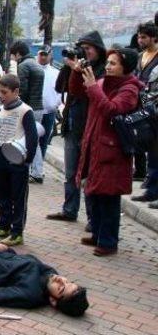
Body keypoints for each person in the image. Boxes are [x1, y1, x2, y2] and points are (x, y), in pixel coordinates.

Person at [74, 48, 142, 256]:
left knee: (109, 197)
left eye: (113, 63)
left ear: (125, 67)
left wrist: (94, 86)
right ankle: (97, 233)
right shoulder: (103, 82)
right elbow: (79, 93)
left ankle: (108, 241)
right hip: (94, 145)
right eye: (108, 62)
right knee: (93, 193)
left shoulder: (130, 89)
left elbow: (112, 109)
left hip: (112, 151)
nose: (108, 66)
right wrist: (77, 74)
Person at [46, 31, 107, 230]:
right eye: (83, 49)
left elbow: (93, 96)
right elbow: (67, 90)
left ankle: (93, 219)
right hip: (72, 125)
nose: (85, 53)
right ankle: (70, 209)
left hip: (90, 128)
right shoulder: (79, 66)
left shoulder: (103, 71)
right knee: (71, 172)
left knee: (89, 175)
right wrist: (72, 69)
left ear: (98, 49)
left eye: (88, 49)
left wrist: (83, 72)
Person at [0, 74, 38, 246]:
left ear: (16, 92)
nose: (0, 95)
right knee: (1, 194)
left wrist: (27, 160)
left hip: (17, 160)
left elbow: (32, 137)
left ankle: (17, 231)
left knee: (18, 197)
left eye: (4, 92)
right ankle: (3, 224)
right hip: (0, 157)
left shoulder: (25, 111)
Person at [9, 41, 45, 184]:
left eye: (13, 54)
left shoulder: (23, 66)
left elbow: (21, 90)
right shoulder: (36, 64)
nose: (13, 58)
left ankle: (35, 172)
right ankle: (37, 170)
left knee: (30, 141)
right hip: (38, 107)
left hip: (29, 108)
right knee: (34, 140)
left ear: (18, 53)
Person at [130, 22, 158, 204]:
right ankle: (151, 189)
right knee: (151, 151)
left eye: (144, 37)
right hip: (142, 109)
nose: (140, 40)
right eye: (139, 37)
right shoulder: (140, 57)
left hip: (155, 108)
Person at [38, 45, 61, 158]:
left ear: (50, 56)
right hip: (34, 111)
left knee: (44, 141)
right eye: (41, 54)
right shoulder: (33, 69)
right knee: (31, 141)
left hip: (49, 112)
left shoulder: (56, 73)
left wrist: (54, 104)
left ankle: (39, 167)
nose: (42, 57)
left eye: (45, 55)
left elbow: (60, 92)